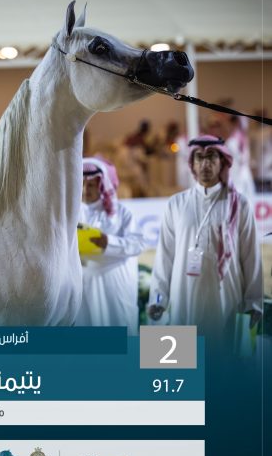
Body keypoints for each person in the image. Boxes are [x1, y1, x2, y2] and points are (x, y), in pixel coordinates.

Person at [148, 135, 262, 344]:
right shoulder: (176, 204)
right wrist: (158, 299)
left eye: (211, 157)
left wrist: (253, 304)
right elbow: (165, 257)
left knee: (223, 356)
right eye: (199, 158)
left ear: (223, 162)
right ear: (192, 164)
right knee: (183, 359)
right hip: (184, 296)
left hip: (226, 298)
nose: (205, 164)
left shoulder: (239, 204)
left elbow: (251, 258)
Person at [76, 157, 146, 334]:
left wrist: (109, 242)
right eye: (82, 184)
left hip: (115, 285)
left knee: (119, 330)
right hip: (84, 286)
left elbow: (138, 244)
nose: (85, 190)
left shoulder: (121, 213)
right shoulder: (72, 214)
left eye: (91, 185)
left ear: (102, 186)